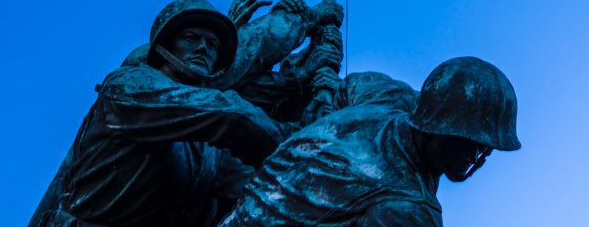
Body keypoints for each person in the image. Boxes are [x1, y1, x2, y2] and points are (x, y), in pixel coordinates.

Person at [31, 0, 343, 227]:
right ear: (164, 49)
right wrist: (308, 145)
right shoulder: (128, 87)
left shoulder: (208, 151)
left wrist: (321, 127)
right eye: (191, 38)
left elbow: (261, 191)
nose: (204, 48)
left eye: (213, 44)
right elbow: (232, 115)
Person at [219, 57, 521, 227]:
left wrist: (323, 110)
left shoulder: (392, 96)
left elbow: (344, 88)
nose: (479, 154)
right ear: (438, 127)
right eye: (471, 140)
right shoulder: (410, 210)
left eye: (487, 145)